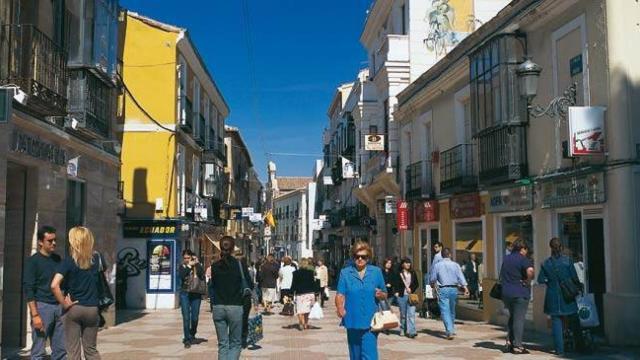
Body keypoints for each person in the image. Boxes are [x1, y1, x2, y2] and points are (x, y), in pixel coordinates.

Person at [50, 226, 101, 359]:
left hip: (74, 307)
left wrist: (64, 303)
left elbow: (54, 285)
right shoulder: (96, 260)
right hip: (92, 308)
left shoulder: (68, 261)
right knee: (91, 349)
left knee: (73, 351)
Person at [336, 241, 387, 360]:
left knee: (370, 356)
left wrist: (381, 294)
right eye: (356, 256)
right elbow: (340, 294)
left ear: (368, 258)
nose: (360, 259)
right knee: (355, 356)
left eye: (363, 257)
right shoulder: (345, 273)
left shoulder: (376, 272)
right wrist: (340, 307)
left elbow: (384, 293)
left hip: (371, 321)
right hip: (352, 319)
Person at [23, 225, 66, 360]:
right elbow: (29, 289)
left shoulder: (57, 259)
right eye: (50, 240)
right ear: (41, 242)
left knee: (61, 350)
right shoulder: (33, 262)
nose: (54, 243)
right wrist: (35, 315)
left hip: (59, 308)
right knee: (38, 351)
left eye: (55, 240)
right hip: (42, 308)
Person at [538, 238, 583, 356]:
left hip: (553, 296)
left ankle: (560, 350)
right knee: (574, 320)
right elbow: (574, 277)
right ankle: (580, 346)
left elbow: (540, 279)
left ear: (551, 248)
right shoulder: (567, 261)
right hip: (567, 295)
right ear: (561, 247)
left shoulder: (545, 263)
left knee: (556, 323)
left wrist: (550, 281)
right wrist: (579, 287)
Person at [211, 236, 250, 360]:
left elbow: (213, 286)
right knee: (235, 344)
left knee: (222, 344)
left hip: (218, 307)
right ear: (233, 248)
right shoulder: (239, 265)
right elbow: (249, 284)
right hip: (235, 307)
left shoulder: (215, 266)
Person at [499, 239, 534, 354]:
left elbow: (501, 275)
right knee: (519, 319)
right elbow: (530, 271)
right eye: (526, 249)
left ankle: (509, 341)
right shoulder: (523, 259)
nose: (526, 252)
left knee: (513, 317)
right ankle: (517, 346)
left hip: (506, 293)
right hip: (520, 292)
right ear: (522, 249)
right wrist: (528, 281)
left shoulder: (506, 258)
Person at [429, 248, 469, 340]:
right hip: (453, 289)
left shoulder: (437, 265)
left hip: (443, 289)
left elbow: (433, 278)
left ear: (442, 255)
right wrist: (465, 287)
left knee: (445, 310)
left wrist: (432, 285)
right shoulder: (455, 265)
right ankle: (452, 329)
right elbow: (460, 277)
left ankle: (449, 330)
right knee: (452, 309)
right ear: (450, 255)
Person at [178, 249, 205, 348]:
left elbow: (202, 274)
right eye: (184, 258)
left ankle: (192, 333)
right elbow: (181, 275)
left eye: (188, 258)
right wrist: (189, 265)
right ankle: (187, 339)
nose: (186, 260)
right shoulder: (182, 266)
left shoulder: (197, 266)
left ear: (192, 257)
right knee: (186, 317)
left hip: (196, 294)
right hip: (185, 293)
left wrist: (197, 263)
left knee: (195, 317)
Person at [291, 258, 320, 330]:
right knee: (307, 310)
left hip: (300, 294)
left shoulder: (295, 273)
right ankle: (306, 324)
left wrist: (291, 293)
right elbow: (313, 283)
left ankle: (301, 323)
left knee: (300, 310)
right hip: (309, 293)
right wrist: (316, 292)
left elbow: (293, 284)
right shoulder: (310, 272)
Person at [394, 258, 419, 338]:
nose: (408, 264)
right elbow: (396, 283)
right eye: (406, 263)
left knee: (411, 314)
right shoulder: (398, 273)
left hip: (411, 296)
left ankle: (412, 331)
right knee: (403, 314)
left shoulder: (413, 272)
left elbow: (416, 283)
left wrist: (411, 288)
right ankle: (402, 329)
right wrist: (396, 292)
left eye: (409, 263)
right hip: (402, 296)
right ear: (402, 264)